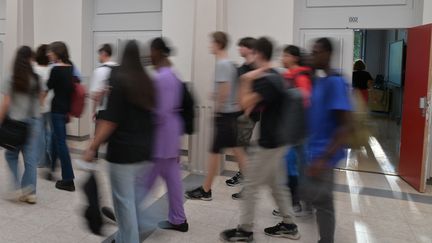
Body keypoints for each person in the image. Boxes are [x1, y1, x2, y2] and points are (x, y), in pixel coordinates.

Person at [220, 37, 300, 242]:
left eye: (251, 53)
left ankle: (244, 231)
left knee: (251, 186)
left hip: (270, 142)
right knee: (277, 186)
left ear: (257, 54)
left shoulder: (268, 80)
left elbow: (243, 106)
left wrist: (246, 80)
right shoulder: (275, 75)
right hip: (278, 140)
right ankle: (289, 225)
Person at [82, 40, 155, 243]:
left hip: (123, 154)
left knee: (124, 204)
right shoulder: (147, 81)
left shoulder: (119, 79)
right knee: (132, 201)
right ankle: (123, 237)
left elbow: (110, 121)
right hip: (145, 153)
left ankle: (128, 239)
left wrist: (93, 146)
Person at [185, 31, 248, 201]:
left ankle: (206, 190)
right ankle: (250, 187)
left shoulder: (222, 64)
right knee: (237, 150)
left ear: (218, 44)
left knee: (215, 151)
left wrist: (217, 109)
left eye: (211, 43)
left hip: (225, 115)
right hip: (232, 113)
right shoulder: (230, 64)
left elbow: (225, 90)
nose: (209, 46)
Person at [302, 38, 352, 243]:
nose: (312, 56)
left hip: (324, 156)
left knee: (323, 203)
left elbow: (346, 125)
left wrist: (324, 159)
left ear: (327, 54)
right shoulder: (321, 81)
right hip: (313, 152)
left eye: (316, 53)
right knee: (311, 195)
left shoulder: (335, 82)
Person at [141, 37, 188, 232]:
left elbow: (161, 111)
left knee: (145, 181)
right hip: (170, 134)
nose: (148, 55)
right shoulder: (171, 74)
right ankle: (179, 219)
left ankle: (128, 214)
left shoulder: (163, 77)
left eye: (150, 51)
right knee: (173, 180)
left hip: (162, 137)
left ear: (158, 52)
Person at [273, 45, 313, 217]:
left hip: (297, 131)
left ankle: (296, 203)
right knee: (295, 166)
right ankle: (300, 203)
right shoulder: (287, 76)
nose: (283, 57)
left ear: (294, 58)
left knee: (293, 167)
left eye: (286, 55)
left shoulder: (301, 77)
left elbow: (305, 104)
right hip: (292, 129)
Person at [0, 46, 44, 204]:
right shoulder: (36, 78)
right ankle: (31, 193)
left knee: (10, 154)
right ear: (30, 59)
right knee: (30, 158)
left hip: (15, 123)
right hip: (34, 122)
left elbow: (6, 104)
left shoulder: (10, 78)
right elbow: (40, 100)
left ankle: (18, 187)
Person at [227, 37, 256, 197]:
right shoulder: (243, 67)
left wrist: (246, 113)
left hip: (248, 115)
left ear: (249, 49)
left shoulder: (254, 68)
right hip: (239, 113)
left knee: (241, 150)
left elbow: (254, 93)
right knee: (239, 148)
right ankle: (243, 175)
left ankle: (249, 187)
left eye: (242, 47)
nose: (239, 49)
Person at [46, 41, 77, 191]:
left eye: (50, 52)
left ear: (57, 53)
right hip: (65, 110)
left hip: (57, 110)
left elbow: (48, 87)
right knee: (55, 138)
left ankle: (68, 179)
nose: (48, 54)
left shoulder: (56, 70)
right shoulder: (70, 68)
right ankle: (51, 168)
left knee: (61, 143)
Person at [90, 43, 117, 158]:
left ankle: (93, 157)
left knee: (98, 136)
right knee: (114, 136)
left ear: (104, 54)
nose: (98, 57)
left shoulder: (99, 71)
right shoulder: (118, 68)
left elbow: (95, 94)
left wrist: (94, 110)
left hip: (102, 108)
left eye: (99, 54)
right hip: (116, 109)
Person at [33, 44, 53, 168]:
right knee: (49, 133)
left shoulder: (34, 69)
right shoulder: (51, 69)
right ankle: (50, 158)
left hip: (37, 105)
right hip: (50, 104)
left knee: (39, 134)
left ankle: (41, 161)